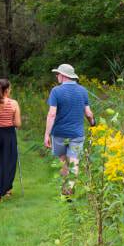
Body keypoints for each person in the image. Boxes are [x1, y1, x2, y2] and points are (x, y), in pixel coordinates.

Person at [44, 64, 94, 196]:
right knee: (74, 160)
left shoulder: (56, 91)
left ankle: (65, 188)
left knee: (62, 160)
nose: (57, 76)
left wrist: (46, 134)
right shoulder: (82, 90)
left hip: (59, 133)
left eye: (58, 74)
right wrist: (93, 124)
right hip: (77, 133)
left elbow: (51, 114)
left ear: (63, 76)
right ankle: (70, 189)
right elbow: (88, 113)